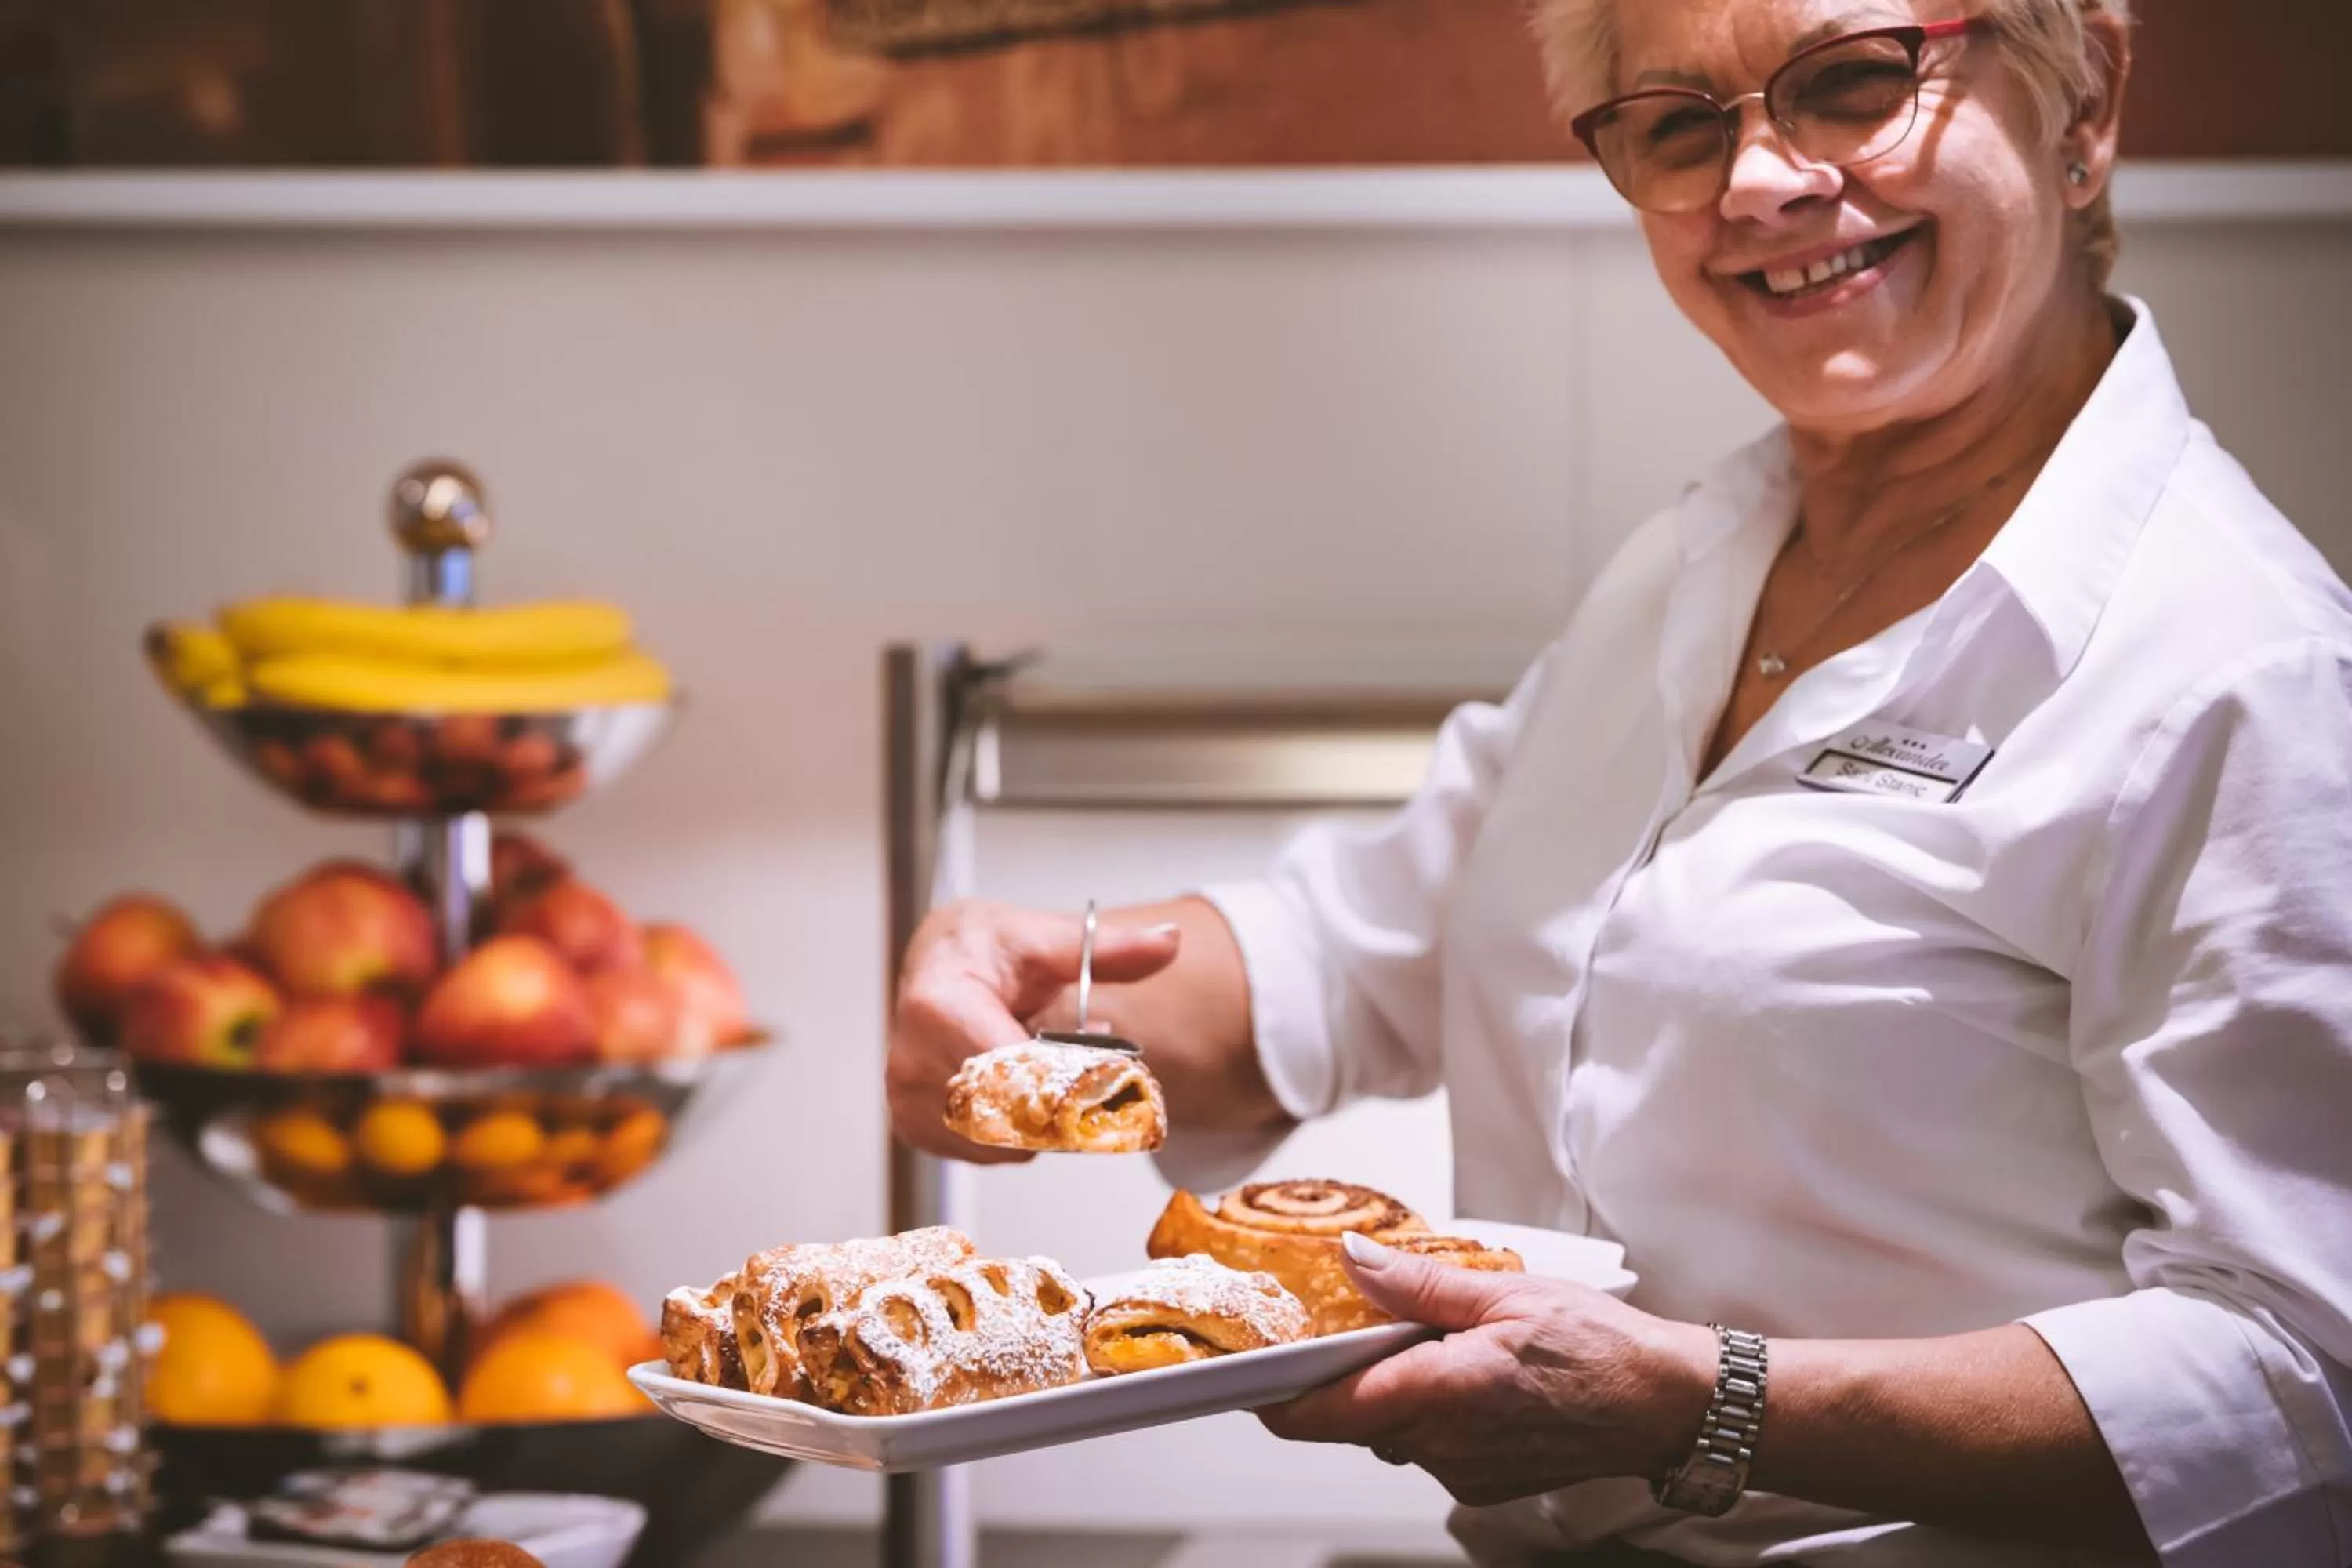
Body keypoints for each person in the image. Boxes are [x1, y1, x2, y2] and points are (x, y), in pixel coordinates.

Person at [887, 1, 2352, 1561]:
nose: (1761, 182)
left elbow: (2298, 1362)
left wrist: (1701, 1406)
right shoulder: (1701, 562)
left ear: (2086, 100)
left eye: (1855, 83)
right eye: (1678, 121)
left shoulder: (2241, 670)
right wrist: (1041, 1003)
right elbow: (1360, 950)